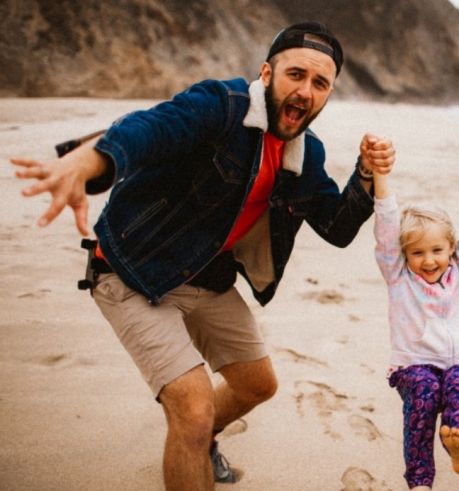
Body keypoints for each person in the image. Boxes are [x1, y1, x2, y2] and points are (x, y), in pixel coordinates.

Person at [11, 22, 395, 490]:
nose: (305, 91)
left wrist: (366, 176)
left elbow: (336, 228)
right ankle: (194, 436)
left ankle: (201, 441)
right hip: (134, 273)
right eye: (296, 74)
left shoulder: (303, 153)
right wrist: (88, 162)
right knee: (192, 410)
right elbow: (150, 129)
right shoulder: (221, 106)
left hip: (204, 277)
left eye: (320, 84)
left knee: (258, 385)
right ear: (267, 73)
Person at [372, 140, 459, 490]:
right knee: (424, 397)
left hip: (457, 363)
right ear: (404, 254)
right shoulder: (397, 275)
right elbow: (385, 226)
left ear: (452, 249)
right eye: (418, 252)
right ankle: (421, 482)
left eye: (437, 250)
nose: (429, 260)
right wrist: (381, 174)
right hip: (414, 367)